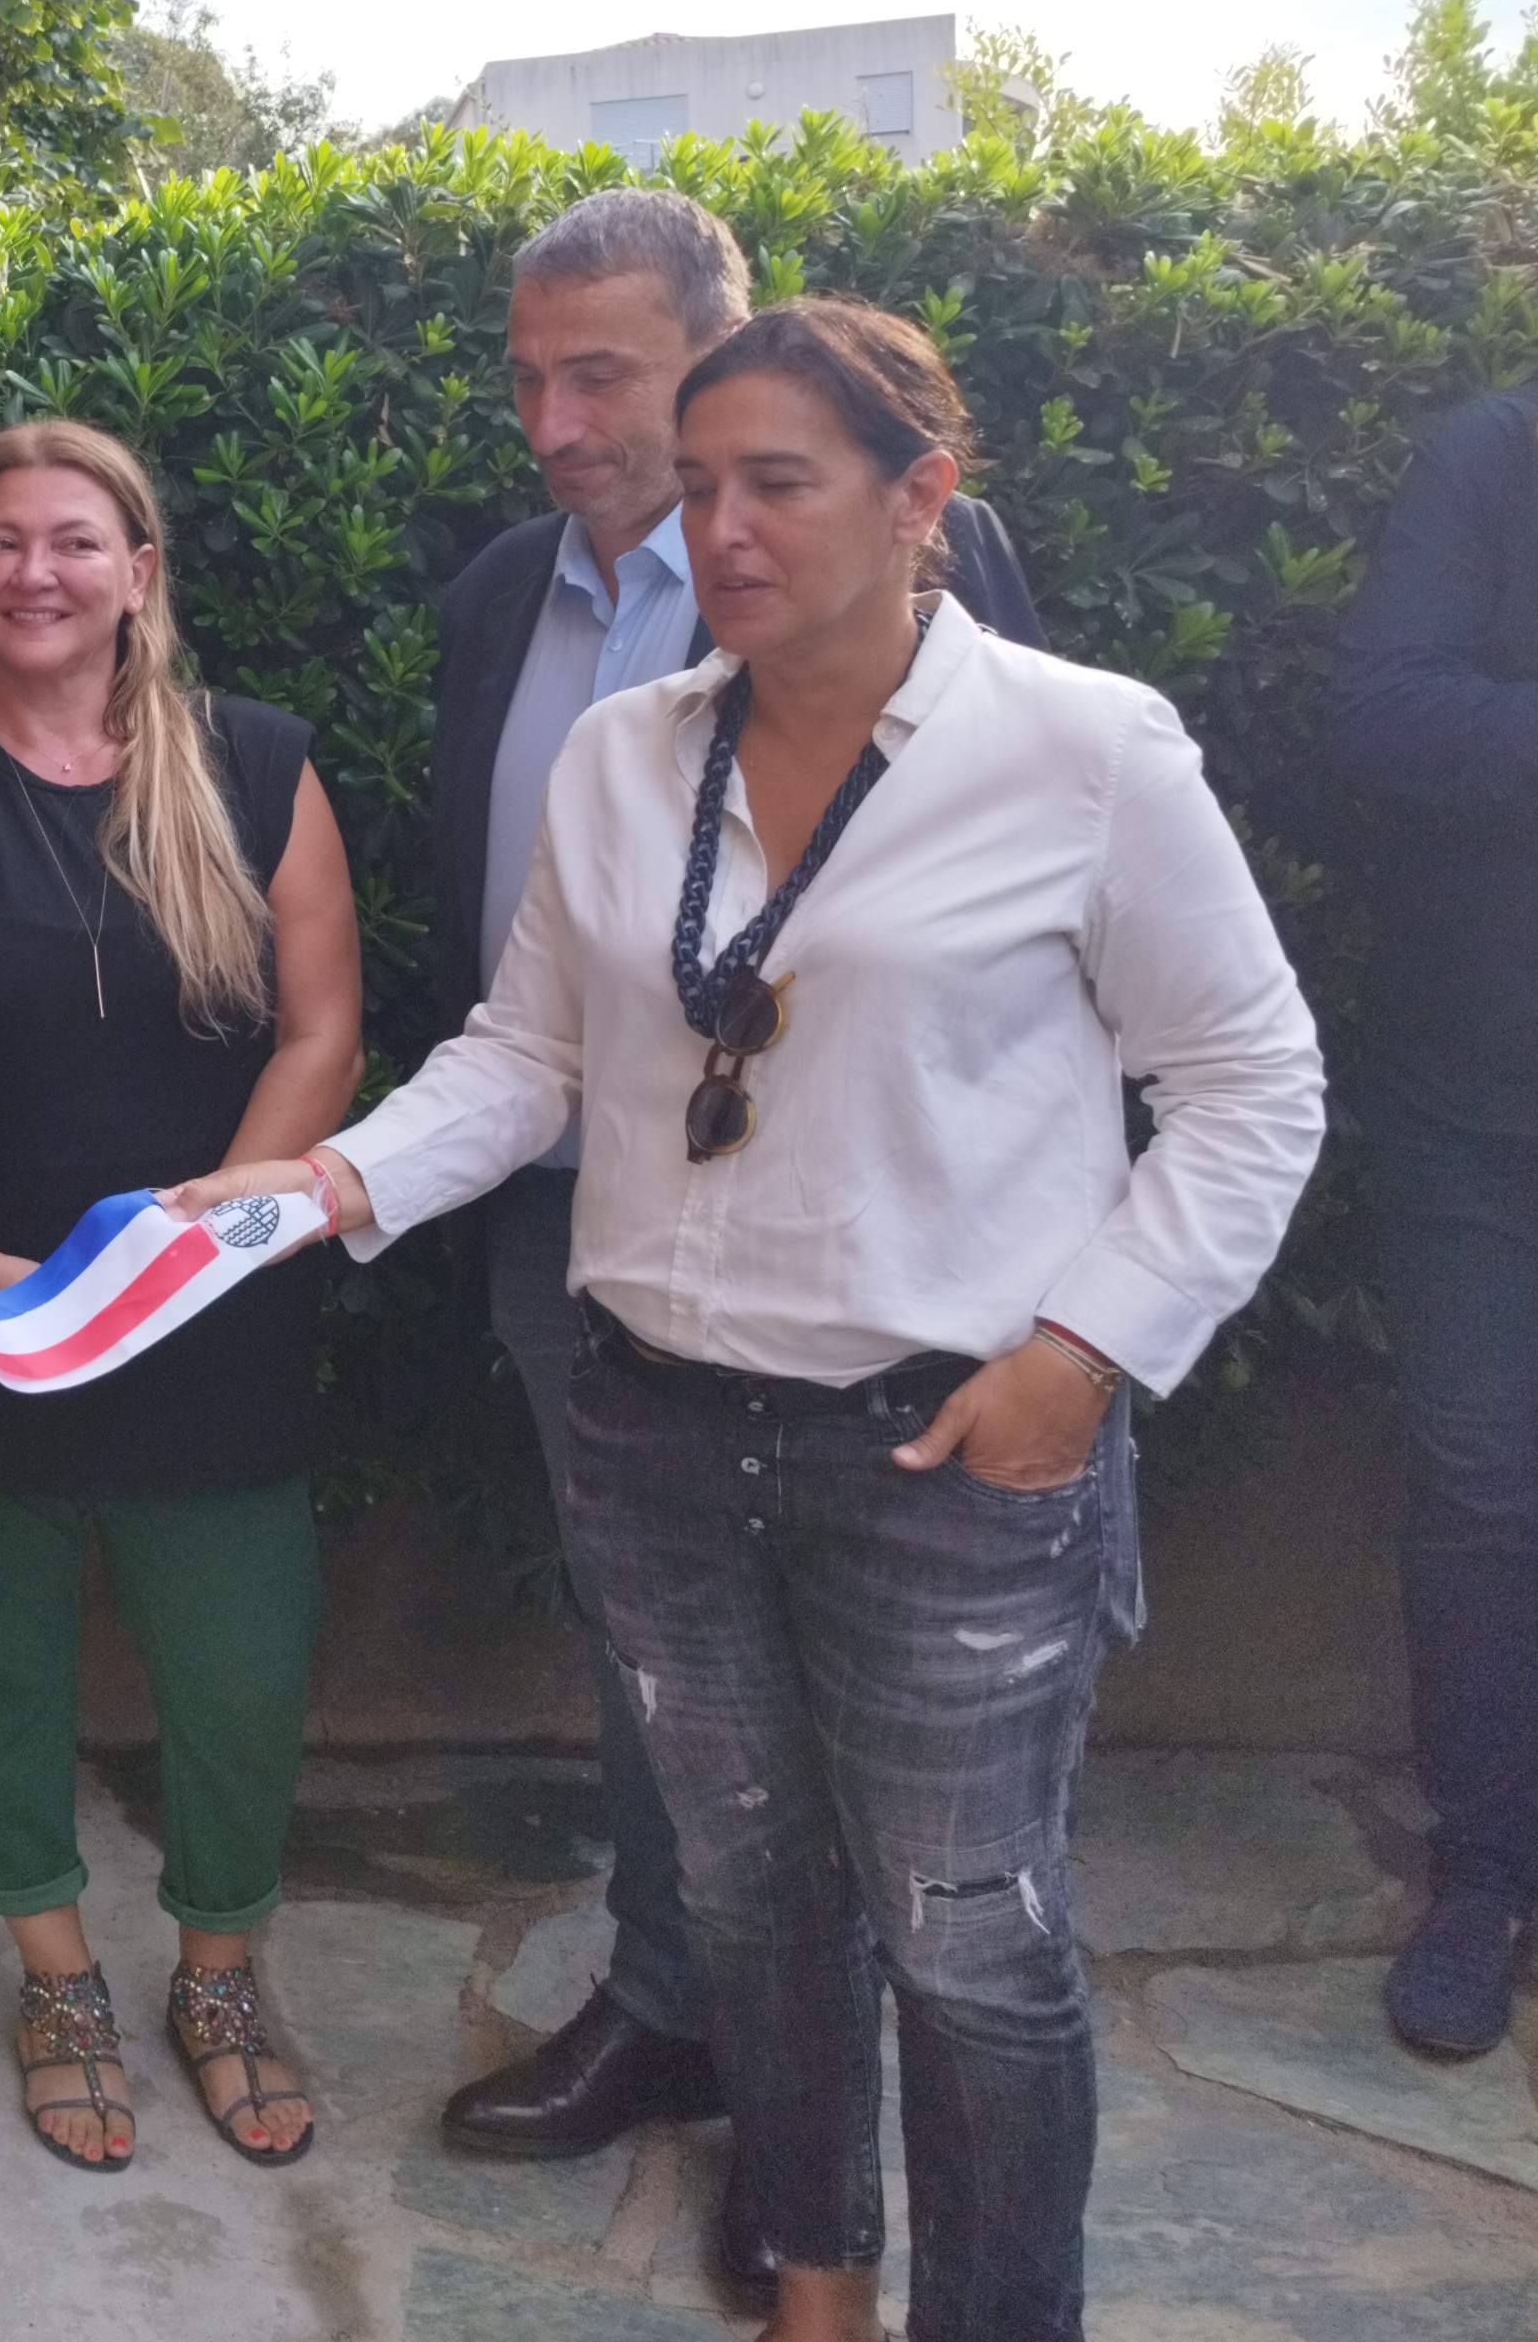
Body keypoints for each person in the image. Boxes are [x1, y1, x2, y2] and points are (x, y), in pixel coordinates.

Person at [194, 299, 1324, 2342]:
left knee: (968, 1940)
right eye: (698, 483)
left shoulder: (1080, 751)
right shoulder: (629, 758)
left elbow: (1251, 1082)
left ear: (918, 502)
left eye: (773, 483)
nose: (715, 525)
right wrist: (321, 1183)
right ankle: (813, 2294)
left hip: (946, 1452)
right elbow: (522, 1055)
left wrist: (1078, 1357)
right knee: (749, 1905)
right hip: (650, 1433)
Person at [424, 193, 1049, 2222]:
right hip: (567, 1228)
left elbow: (1019, 943)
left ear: (712, 355)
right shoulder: (494, 601)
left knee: (860, 1712)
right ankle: (684, 2005)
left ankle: (822, 2134)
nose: (549, 420)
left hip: (853, 1261)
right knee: (654, 1650)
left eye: (594, 371)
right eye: (523, 376)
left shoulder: (888, 579)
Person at [0, 418, 358, 2175]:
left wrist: (211, 1233)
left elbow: (322, 1025)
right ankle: (53, 1976)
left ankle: (218, 1972)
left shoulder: (256, 765)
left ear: (138, 574)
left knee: (237, 1672)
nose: (33, 573)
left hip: (213, 1317)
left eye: (73, 542)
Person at [1323, 378, 1538, 2060]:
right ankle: (1485, 1877)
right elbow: (1387, 716)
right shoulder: (1493, 452)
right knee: (1482, 1487)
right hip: (1475, 1106)